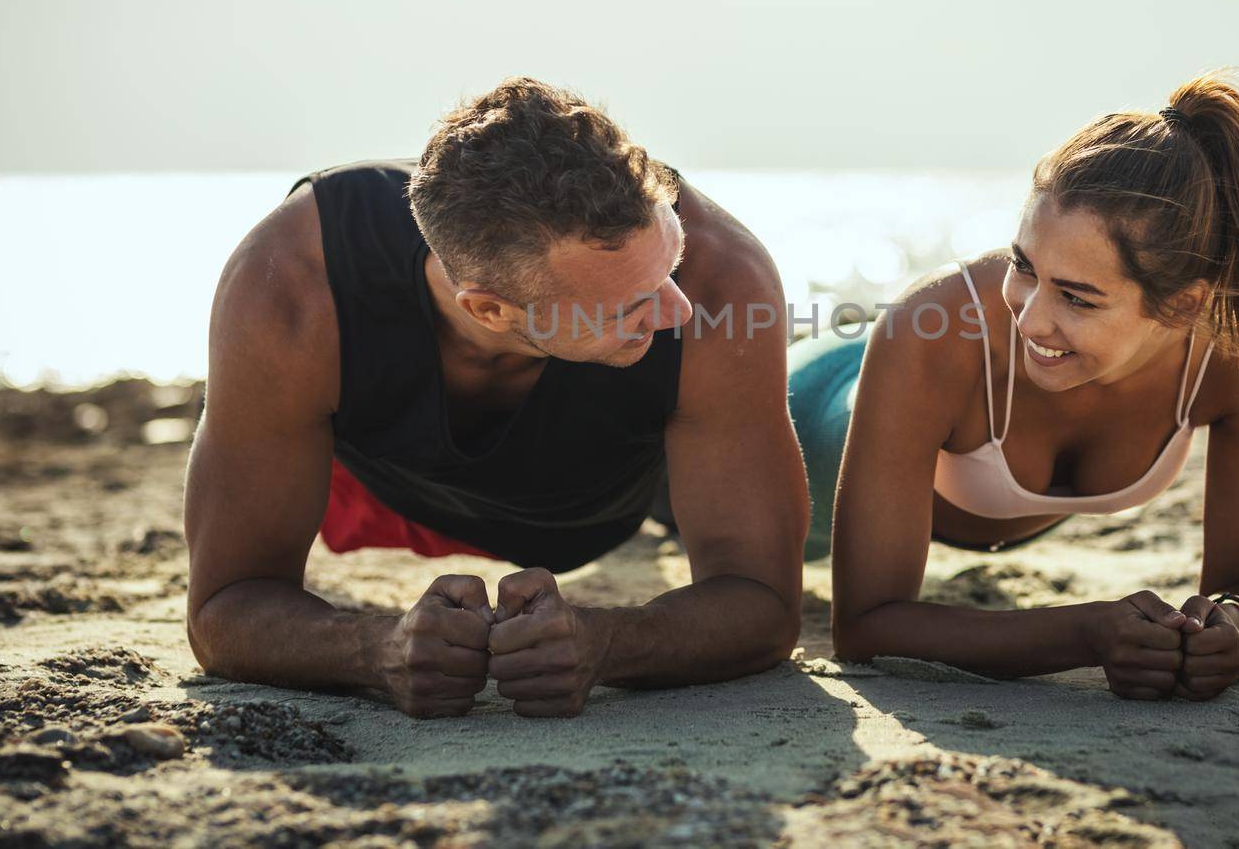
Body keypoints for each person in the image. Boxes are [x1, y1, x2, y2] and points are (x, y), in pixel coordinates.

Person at [185, 78, 808, 718]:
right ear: (489, 308)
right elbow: (222, 608)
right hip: (381, 486)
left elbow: (765, 604)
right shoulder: (294, 284)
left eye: (668, 264)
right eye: (631, 303)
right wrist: (377, 650)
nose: (678, 311)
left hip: (624, 484)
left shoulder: (719, 280)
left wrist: (609, 642)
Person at [804, 72, 1239, 700]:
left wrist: (1233, 626)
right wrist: (1086, 633)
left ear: (1182, 306)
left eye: (1076, 297)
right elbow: (865, 626)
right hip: (809, 397)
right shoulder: (929, 334)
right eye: (1023, 266)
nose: (1029, 317)